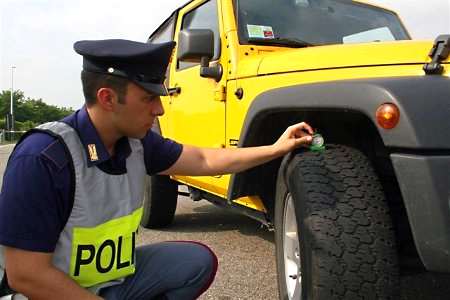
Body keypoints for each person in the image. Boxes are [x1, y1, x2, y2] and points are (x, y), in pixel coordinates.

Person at [0, 39, 313, 300]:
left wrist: (275, 148)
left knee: (194, 263)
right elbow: (26, 275)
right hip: (50, 292)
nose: (160, 109)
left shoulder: (137, 143)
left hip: (110, 285)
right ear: (107, 98)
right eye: (149, 98)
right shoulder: (42, 159)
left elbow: (204, 160)